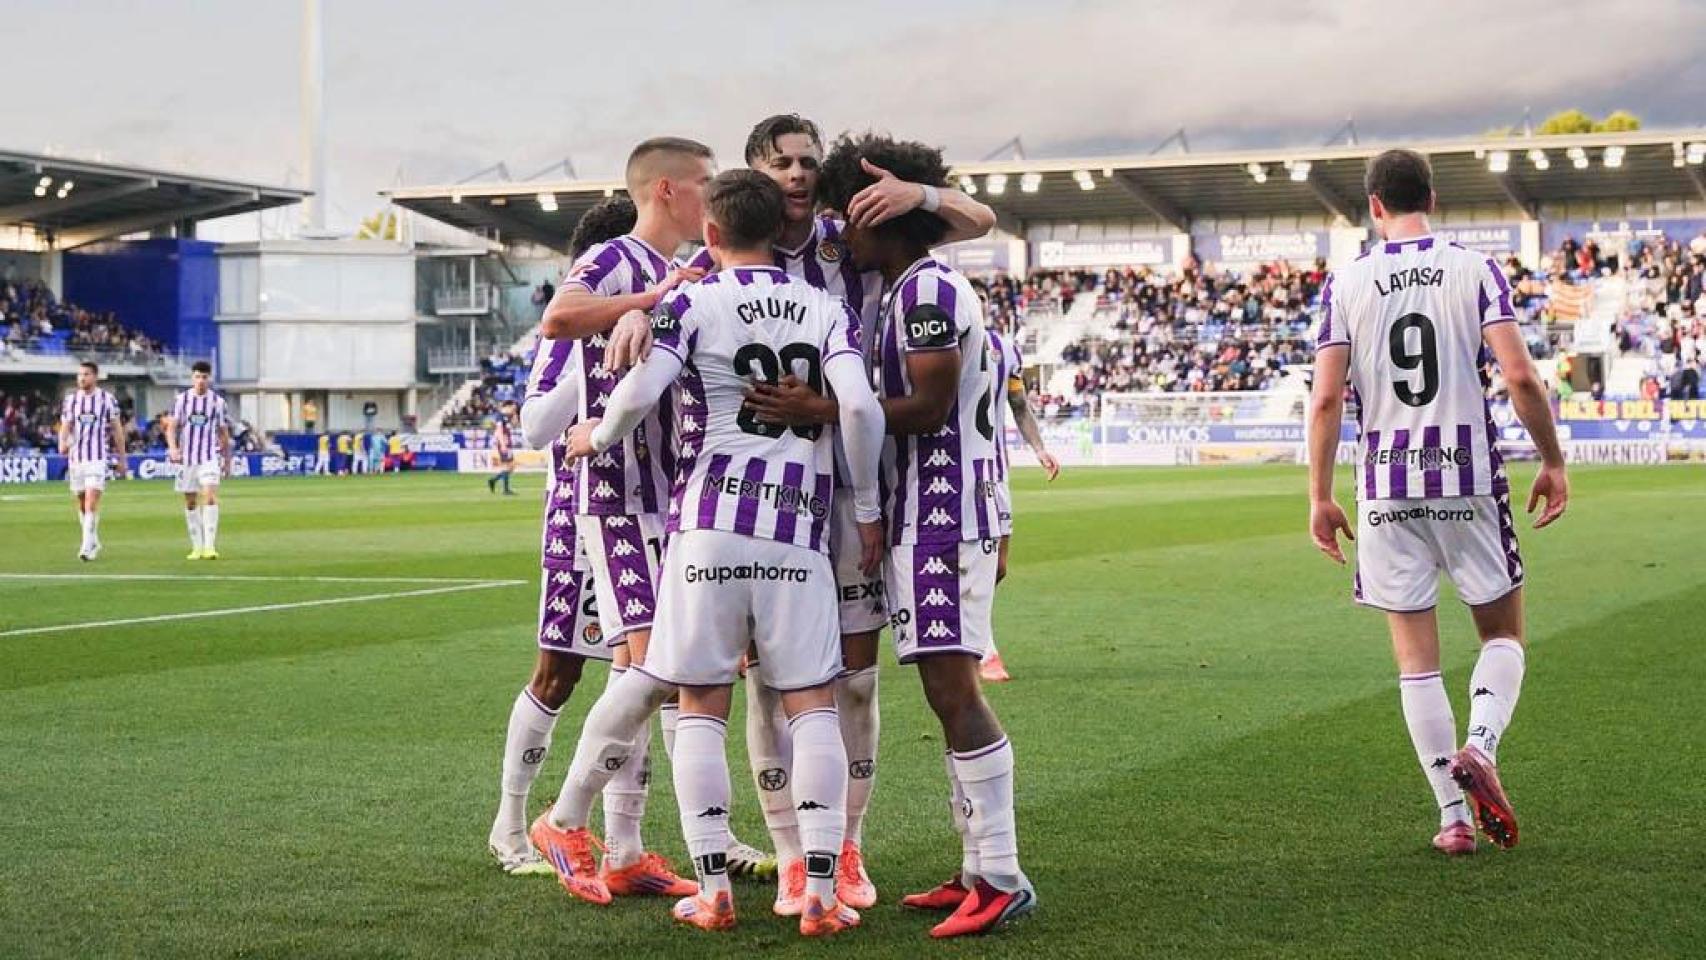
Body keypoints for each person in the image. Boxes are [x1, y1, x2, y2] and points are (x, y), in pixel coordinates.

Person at [656, 113, 998, 912]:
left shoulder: (856, 230)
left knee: (850, 683)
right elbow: (664, 302)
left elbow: (976, 220)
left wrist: (922, 189)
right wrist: (640, 310)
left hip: (860, 477)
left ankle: (841, 848)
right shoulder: (729, 252)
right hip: (770, 491)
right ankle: (787, 853)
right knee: (765, 687)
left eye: (809, 161)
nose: (801, 175)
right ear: (752, 174)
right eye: (783, 164)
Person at [561, 169, 885, 935]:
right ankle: (819, 890)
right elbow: (863, 407)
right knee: (811, 705)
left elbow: (640, 394)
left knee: (699, 701)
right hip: (797, 533)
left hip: (707, 528)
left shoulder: (692, 301)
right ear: (779, 228)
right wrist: (865, 507)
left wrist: (596, 435)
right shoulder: (823, 305)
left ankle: (713, 889)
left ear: (710, 233)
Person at [1307, 148, 1569, 857]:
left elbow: (1327, 396)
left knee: (1415, 663)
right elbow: (1518, 376)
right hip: (1467, 477)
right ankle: (1481, 744)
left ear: (1374, 206)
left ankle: (1453, 818)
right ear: (1433, 195)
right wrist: (1551, 459)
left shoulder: (1346, 282)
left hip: (1386, 487)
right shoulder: (1473, 267)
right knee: (1503, 636)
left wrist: (1319, 495)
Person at [818, 133, 1036, 937]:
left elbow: (932, 410)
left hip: (941, 518)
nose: (845, 234)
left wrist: (825, 412)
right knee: (947, 694)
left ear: (892, 218)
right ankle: (978, 864)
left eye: (856, 217)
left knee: (954, 690)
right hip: (934, 516)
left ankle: (1003, 875)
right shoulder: (912, 285)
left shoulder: (927, 293)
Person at [529, 137, 715, 905]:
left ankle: (627, 848)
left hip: (667, 496)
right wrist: (645, 301)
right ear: (667, 190)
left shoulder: (696, 267)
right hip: (614, 493)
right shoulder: (615, 258)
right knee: (648, 666)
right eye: (705, 183)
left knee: (643, 673)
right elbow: (561, 318)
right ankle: (560, 824)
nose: (713, 195)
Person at [980, 317, 1061, 682]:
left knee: (997, 567)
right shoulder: (939, 342)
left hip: (996, 472)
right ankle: (984, 647)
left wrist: (1040, 449)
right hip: (955, 470)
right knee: (969, 564)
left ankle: (968, 633)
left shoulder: (1005, 348)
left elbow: (1018, 403)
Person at [58, 360, 127, 560]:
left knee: (91, 501)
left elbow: (117, 430)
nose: (82, 378)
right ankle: (94, 540)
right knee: (81, 502)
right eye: (79, 374)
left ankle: (86, 547)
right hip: (76, 458)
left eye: (86, 374)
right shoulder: (71, 400)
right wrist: (62, 441)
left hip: (97, 458)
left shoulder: (107, 400)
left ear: (95, 377)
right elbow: (66, 425)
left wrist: (122, 458)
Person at [164, 361, 232, 560]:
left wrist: (227, 460)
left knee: (209, 496)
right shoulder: (182, 400)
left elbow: (223, 432)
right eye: (197, 377)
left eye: (204, 377)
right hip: (187, 459)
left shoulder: (217, 402)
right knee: (190, 501)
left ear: (209, 378)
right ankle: (197, 546)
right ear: (192, 378)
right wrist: (173, 448)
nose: (201, 381)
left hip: (209, 456)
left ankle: (210, 546)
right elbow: (171, 427)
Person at [488, 406, 517, 495]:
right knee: (507, 466)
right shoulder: (500, 416)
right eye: (512, 407)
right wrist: (503, 444)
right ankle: (505, 489)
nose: (513, 409)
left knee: (511, 467)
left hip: (507, 443)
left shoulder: (506, 417)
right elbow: (499, 430)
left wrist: (514, 415)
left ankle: (493, 480)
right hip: (504, 444)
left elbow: (514, 425)